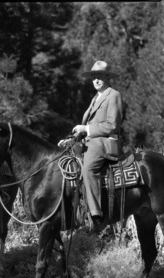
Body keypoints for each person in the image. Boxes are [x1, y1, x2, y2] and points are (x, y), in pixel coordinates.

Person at [59, 60, 123, 235]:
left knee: (88, 168)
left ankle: (96, 216)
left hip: (105, 143)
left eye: (100, 77)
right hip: (91, 141)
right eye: (94, 77)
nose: (96, 80)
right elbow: (88, 125)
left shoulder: (113, 95)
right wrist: (72, 138)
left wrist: (86, 129)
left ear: (108, 78)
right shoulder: (96, 98)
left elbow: (112, 125)